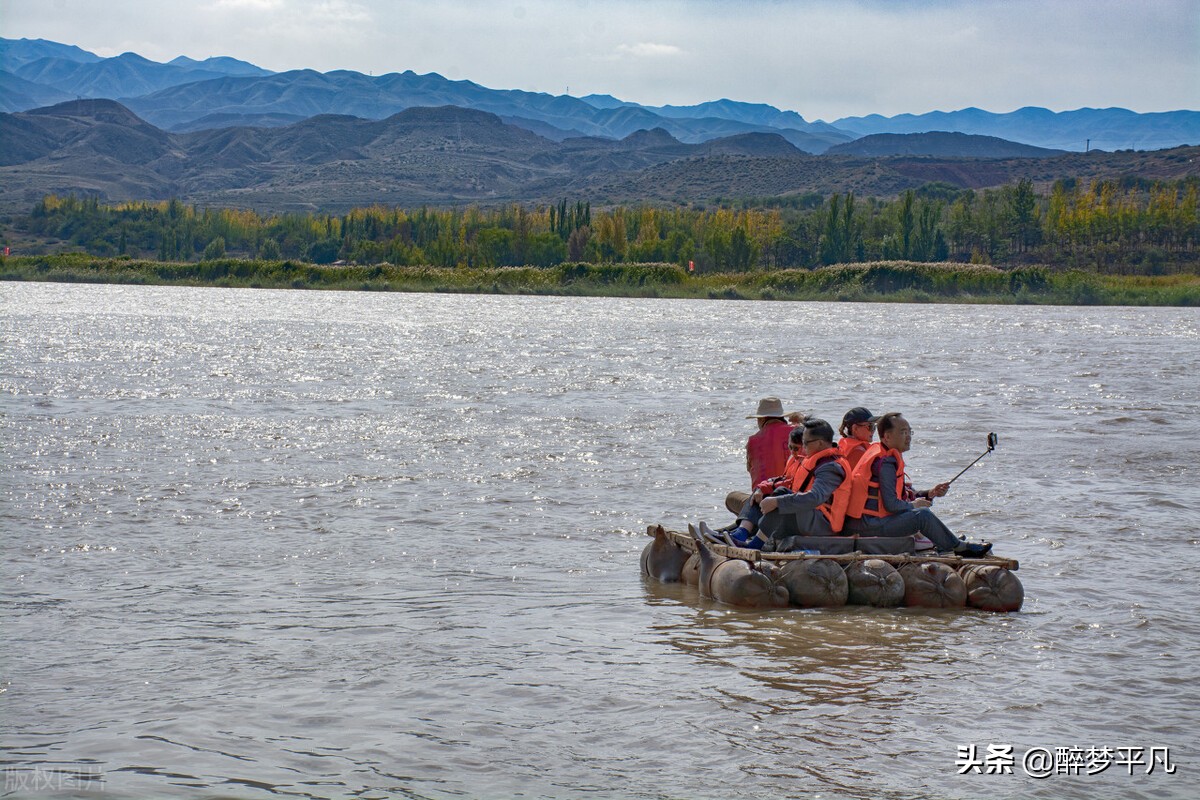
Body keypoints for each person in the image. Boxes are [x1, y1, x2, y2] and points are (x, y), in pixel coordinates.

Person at [843, 412, 992, 557]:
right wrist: (914, 505)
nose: (908, 437)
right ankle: (958, 547)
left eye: (909, 432)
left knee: (921, 512)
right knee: (923, 516)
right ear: (887, 437)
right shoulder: (885, 462)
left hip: (868, 521)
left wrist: (929, 493)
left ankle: (947, 542)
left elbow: (900, 494)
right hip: (866, 525)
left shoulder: (885, 454)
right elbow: (891, 505)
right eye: (903, 432)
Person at [706, 418, 852, 550]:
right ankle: (740, 533)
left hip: (823, 524)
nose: (803, 446)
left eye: (806, 443)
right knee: (764, 492)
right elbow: (791, 482)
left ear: (820, 443)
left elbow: (815, 498)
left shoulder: (831, 467)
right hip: (808, 515)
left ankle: (755, 544)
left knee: (780, 496)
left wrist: (777, 501)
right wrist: (764, 488)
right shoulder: (814, 460)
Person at [744, 397, 795, 489]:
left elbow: (750, 469)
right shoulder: (798, 432)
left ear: (762, 420)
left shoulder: (753, 440)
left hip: (762, 496)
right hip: (794, 493)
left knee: (731, 497)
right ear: (781, 417)